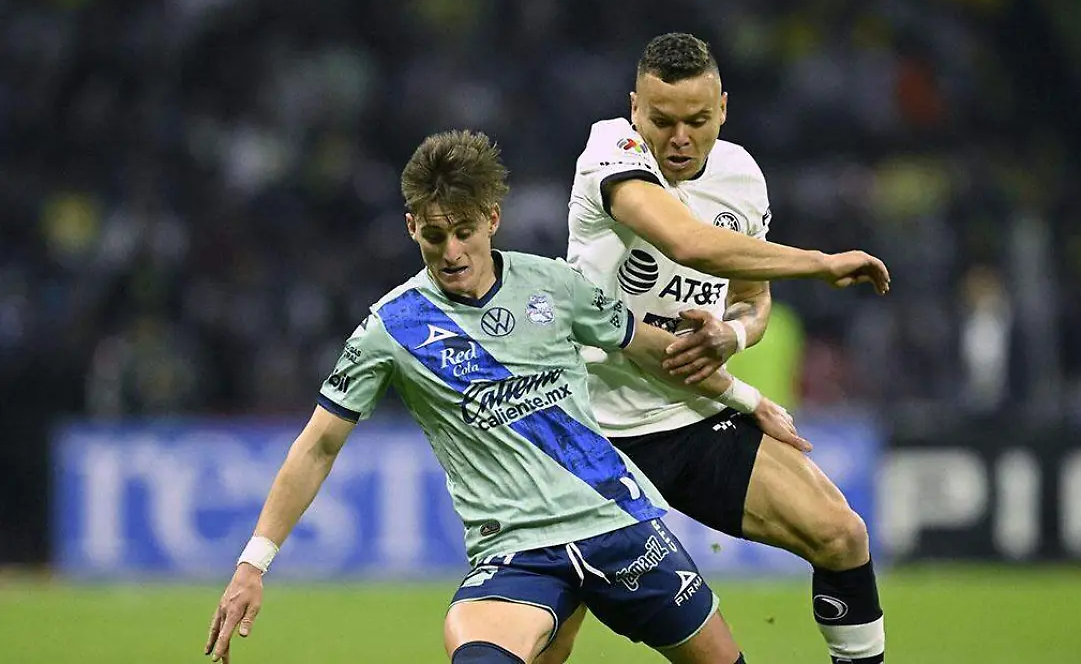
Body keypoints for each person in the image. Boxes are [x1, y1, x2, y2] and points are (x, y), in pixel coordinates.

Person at [203, 130, 804, 664]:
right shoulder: (393, 327)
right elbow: (319, 445)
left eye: (464, 232)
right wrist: (253, 563)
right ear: (412, 226)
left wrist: (747, 399)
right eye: (434, 235)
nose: (452, 252)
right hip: (516, 552)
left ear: (492, 219)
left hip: (620, 523)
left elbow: (654, 350)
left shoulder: (555, 284)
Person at [546, 33, 889, 664]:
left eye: (698, 121)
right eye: (662, 120)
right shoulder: (609, 150)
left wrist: (732, 333)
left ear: (723, 109)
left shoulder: (741, 176)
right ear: (634, 110)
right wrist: (819, 263)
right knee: (551, 641)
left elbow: (751, 299)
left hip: (692, 419)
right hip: (591, 433)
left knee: (840, 534)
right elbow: (689, 244)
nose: (679, 138)